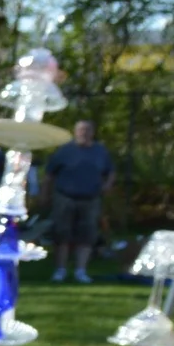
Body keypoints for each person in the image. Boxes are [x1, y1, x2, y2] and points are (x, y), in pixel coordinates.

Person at [42, 120, 115, 283]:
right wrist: (44, 196)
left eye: (87, 130)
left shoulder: (100, 151)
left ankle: (81, 271)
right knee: (62, 234)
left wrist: (107, 185)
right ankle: (60, 270)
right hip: (65, 197)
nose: (83, 133)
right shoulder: (64, 151)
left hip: (90, 199)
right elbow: (48, 176)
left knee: (87, 235)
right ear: (75, 132)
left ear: (92, 132)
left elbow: (110, 172)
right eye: (81, 130)